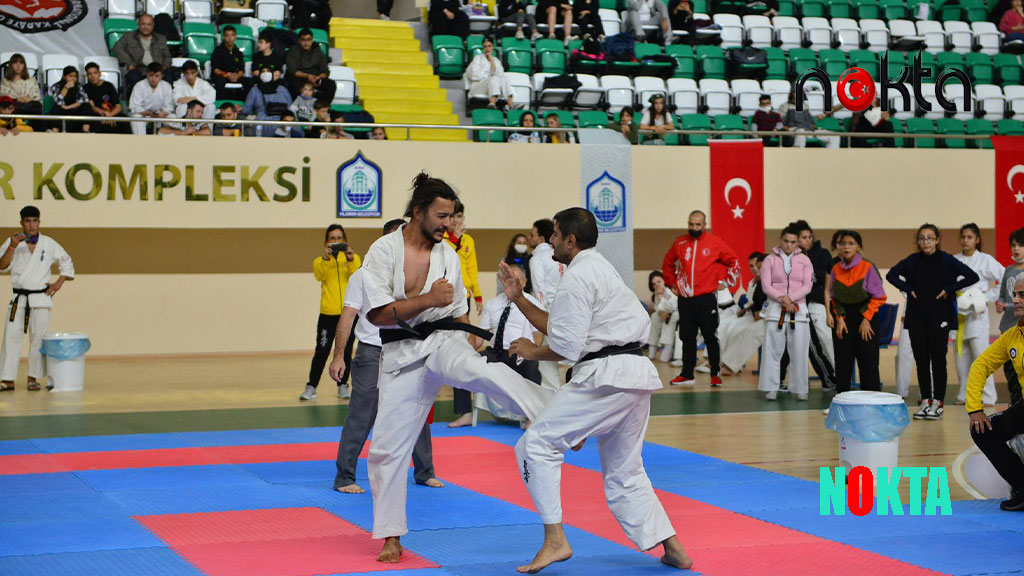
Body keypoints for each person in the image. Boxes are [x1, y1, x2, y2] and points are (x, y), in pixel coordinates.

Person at [358, 172, 552, 563]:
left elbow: (459, 306)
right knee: (384, 450)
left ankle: (553, 413)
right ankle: (391, 534)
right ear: (417, 212)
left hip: (444, 341)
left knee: (484, 372)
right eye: (442, 216)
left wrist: (469, 337)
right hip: (400, 355)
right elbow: (379, 314)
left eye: (452, 217)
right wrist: (428, 298)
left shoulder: (448, 253)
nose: (449, 224)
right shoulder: (382, 251)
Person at [498, 208, 693, 573]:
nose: (550, 240)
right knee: (626, 471)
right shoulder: (599, 267)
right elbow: (562, 326)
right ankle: (674, 548)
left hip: (607, 376)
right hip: (633, 375)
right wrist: (519, 298)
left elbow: (567, 347)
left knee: (536, 443)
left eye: (555, 235)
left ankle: (555, 540)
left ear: (570, 240)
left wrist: (531, 350)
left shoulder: (576, 277)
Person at [329, 219, 443, 494]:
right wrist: (339, 355)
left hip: (408, 349)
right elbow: (348, 316)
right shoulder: (363, 275)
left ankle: (424, 471)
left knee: (418, 407)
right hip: (372, 350)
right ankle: (345, 475)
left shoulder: (416, 273)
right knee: (363, 412)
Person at [887, 225, 979, 421]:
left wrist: (949, 289)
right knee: (921, 360)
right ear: (918, 241)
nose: (926, 242)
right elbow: (891, 275)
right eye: (922, 238)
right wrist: (907, 288)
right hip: (917, 317)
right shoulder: (912, 261)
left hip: (940, 316)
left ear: (937, 240)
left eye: (930, 238)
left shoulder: (946, 259)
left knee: (938, 360)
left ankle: (938, 402)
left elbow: (972, 276)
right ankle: (926, 401)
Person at [662, 210, 741, 387]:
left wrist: (727, 281)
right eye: (691, 224)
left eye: (698, 225)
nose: (694, 228)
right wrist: (672, 283)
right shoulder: (680, 242)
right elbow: (667, 263)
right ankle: (687, 374)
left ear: (704, 225)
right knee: (687, 337)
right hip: (685, 298)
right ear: (687, 223)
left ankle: (715, 374)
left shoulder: (715, 243)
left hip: (706, 298)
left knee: (710, 336)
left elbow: (734, 261)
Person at [0, 206, 75, 392]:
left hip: (40, 298)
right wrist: (11, 246)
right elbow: (1, 266)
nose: (31, 225)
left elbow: (66, 261)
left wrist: (58, 282)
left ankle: (32, 378)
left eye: (34, 221)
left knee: (38, 340)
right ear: (21, 223)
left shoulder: (49, 243)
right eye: (27, 221)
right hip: (19, 298)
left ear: (39, 222)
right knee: (11, 337)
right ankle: (7, 379)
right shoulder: (13, 243)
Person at [967, 272, 1024, 511]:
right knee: (982, 430)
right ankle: (1022, 486)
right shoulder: (1011, 336)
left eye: (1023, 295)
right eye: (1015, 295)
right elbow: (981, 365)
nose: (1017, 300)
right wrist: (975, 409)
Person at [470, 262, 545, 423]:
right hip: (495, 352)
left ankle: (531, 417)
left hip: (519, 353)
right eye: (508, 279)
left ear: (524, 283)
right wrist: (465, 348)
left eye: (516, 280)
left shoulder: (534, 304)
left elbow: (538, 338)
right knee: (464, 362)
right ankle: (465, 414)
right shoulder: (492, 304)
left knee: (531, 365)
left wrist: (529, 349)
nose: (511, 283)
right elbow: (479, 336)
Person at [300, 224, 361, 401]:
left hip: (348, 314)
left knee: (346, 350)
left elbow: (356, 275)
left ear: (345, 240)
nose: (336, 242)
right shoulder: (320, 261)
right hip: (328, 314)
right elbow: (320, 276)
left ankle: (342, 385)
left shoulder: (353, 258)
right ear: (327, 241)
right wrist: (326, 259)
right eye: (332, 239)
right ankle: (311, 386)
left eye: (339, 238)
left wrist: (349, 258)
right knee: (322, 350)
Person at [758, 226, 813, 401]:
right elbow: (766, 286)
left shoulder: (805, 260)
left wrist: (791, 298)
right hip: (775, 309)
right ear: (780, 240)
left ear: (798, 243)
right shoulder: (769, 260)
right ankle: (770, 387)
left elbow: (807, 286)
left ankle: (800, 388)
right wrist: (783, 299)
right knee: (772, 351)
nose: (789, 245)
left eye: (793, 242)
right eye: (786, 241)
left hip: (799, 310)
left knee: (799, 351)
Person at [781, 220, 837, 390]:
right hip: (796, 306)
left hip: (817, 304)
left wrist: (809, 273)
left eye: (809, 237)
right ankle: (789, 381)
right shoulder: (789, 257)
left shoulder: (822, 254)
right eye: (803, 237)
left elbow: (823, 278)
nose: (807, 240)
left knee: (825, 340)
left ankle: (837, 374)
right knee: (790, 345)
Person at [443, 200, 484, 428]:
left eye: (459, 216)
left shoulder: (468, 240)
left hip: (463, 299)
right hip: (443, 298)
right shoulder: (443, 240)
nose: (456, 221)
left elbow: (471, 268)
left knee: (461, 350)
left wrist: (477, 295)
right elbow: (450, 262)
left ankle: (465, 411)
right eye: (452, 217)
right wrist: (455, 239)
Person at [830, 230, 887, 393]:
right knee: (843, 362)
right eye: (843, 243)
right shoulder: (835, 269)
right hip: (844, 318)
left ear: (859, 247)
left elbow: (879, 296)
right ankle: (842, 401)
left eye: (851, 243)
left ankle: (872, 401)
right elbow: (834, 298)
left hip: (865, 316)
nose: (846, 247)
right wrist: (839, 318)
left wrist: (866, 319)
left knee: (868, 363)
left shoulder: (868, 267)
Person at [954, 223, 1004, 406]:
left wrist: (986, 297)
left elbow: (1004, 277)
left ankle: (988, 396)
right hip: (958, 312)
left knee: (980, 357)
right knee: (961, 359)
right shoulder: (954, 260)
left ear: (977, 240)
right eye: (963, 237)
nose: (965, 240)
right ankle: (964, 395)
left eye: (969, 237)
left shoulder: (985, 260)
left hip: (977, 314)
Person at [528, 218, 564, 391]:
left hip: (548, 313)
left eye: (532, 234)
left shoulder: (537, 259)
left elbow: (539, 291)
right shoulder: (560, 257)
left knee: (546, 362)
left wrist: (540, 320)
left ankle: (552, 396)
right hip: (565, 312)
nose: (529, 238)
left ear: (541, 238)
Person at [720, 252, 767, 375]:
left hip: (775, 318)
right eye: (754, 266)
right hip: (759, 315)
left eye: (761, 267)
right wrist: (756, 311)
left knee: (748, 332)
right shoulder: (759, 282)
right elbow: (757, 302)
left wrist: (760, 312)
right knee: (733, 328)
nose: (757, 270)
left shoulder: (776, 281)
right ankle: (724, 361)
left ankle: (730, 365)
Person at [996, 228, 1024, 408]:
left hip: (1021, 328)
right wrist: (1000, 303)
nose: (1016, 249)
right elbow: (1002, 295)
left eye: (1021, 245)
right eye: (1013, 245)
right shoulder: (1008, 269)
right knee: (1010, 371)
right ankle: (1016, 408)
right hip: (1007, 328)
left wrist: (1009, 305)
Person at [113, 14, 173, 95]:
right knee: (133, 77)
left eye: (149, 25)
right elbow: (117, 48)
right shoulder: (129, 36)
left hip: (157, 69)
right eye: (143, 24)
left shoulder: (160, 38)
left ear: (153, 26)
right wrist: (129, 63)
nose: (146, 27)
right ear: (138, 25)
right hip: (138, 69)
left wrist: (163, 67)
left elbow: (167, 56)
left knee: (168, 78)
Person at [464, 37, 516, 110]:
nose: (487, 49)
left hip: (492, 86)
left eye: (489, 46)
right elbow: (473, 75)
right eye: (485, 46)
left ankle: (511, 104)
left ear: (493, 47)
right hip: (478, 86)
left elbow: (500, 75)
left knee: (504, 78)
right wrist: (488, 76)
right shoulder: (477, 58)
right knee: (494, 78)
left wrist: (491, 61)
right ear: (483, 48)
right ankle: (492, 103)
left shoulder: (496, 60)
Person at [285, 29, 335, 103]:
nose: (306, 43)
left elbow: (325, 71)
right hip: (300, 78)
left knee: (331, 85)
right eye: (303, 40)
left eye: (308, 40)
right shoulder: (293, 51)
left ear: (312, 40)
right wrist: (308, 76)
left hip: (315, 78)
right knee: (293, 83)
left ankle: (321, 107)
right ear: (299, 41)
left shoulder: (318, 51)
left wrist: (318, 78)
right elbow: (292, 70)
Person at [84, 62, 130, 134]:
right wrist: (104, 115)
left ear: (100, 74)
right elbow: (91, 107)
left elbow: (118, 107)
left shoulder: (108, 86)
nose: (92, 76)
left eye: (95, 73)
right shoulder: (85, 88)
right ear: (87, 76)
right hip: (97, 115)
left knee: (124, 119)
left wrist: (110, 116)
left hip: (111, 114)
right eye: (90, 74)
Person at [129, 63, 174, 136]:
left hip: (161, 114)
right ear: (147, 74)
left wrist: (163, 113)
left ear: (162, 76)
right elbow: (135, 107)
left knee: (173, 117)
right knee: (136, 118)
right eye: (151, 75)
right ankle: (141, 143)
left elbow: (169, 106)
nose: (153, 79)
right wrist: (148, 113)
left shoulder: (167, 86)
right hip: (144, 114)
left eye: (157, 76)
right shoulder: (139, 86)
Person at [210, 25, 255, 99]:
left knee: (249, 82)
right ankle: (222, 104)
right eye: (227, 35)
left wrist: (237, 76)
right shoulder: (217, 51)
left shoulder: (238, 53)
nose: (230, 38)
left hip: (235, 76)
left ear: (235, 36)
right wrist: (227, 75)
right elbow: (215, 69)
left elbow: (241, 70)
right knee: (219, 81)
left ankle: (242, 103)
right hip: (223, 76)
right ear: (223, 37)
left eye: (232, 35)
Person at [47, 66, 89, 133]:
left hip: (74, 109)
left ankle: (85, 131)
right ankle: (55, 132)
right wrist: (66, 88)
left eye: (75, 76)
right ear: (64, 76)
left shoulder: (78, 86)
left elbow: (84, 100)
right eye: (70, 76)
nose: (73, 78)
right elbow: (58, 102)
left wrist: (68, 107)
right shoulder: (56, 86)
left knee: (86, 106)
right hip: (62, 109)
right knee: (56, 108)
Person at [648, 271, 678, 363]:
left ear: (664, 280)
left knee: (669, 320)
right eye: (654, 284)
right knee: (654, 317)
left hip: (676, 313)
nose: (657, 285)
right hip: (664, 314)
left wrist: (661, 297)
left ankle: (667, 352)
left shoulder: (671, 291)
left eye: (659, 282)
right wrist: (661, 313)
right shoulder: (657, 294)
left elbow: (671, 307)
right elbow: (657, 307)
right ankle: (652, 349)